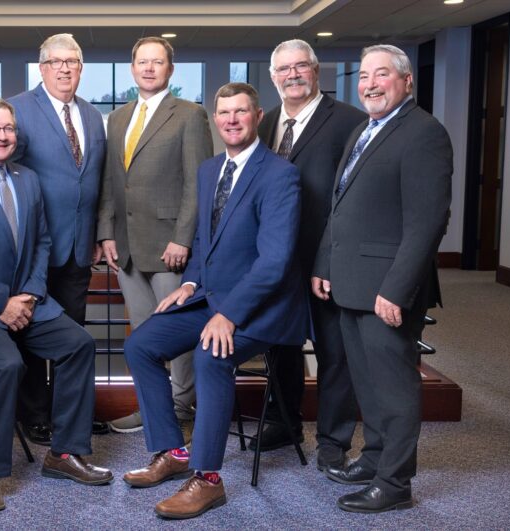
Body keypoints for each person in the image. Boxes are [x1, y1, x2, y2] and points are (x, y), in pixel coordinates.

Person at [122, 83, 309, 520]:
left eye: (240, 112)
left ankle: (207, 479)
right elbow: (205, 241)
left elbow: (275, 261)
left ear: (257, 115)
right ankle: (173, 452)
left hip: (265, 308)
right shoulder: (209, 171)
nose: (231, 120)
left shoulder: (280, 175)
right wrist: (188, 285)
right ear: (216, 119)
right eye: (223, 113)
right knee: (140, 345)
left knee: (210, 356)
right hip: (209, 298)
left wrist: (229, 313)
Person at [0, 98, 113, 512]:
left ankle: (64, 453)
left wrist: (27, 296)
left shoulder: (27, 180)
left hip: (25, 302)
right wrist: (2, 303)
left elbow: (42, 242)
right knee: (7, 363)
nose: (0, 135)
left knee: (79, 343)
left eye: (7, 128)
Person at [313, 44, 452, 513]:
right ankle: (373, 458)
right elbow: (340, 207)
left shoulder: (423, 134)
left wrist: (396, 289)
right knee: (366, 384)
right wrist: (324, 266)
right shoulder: (363, 131)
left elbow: (426, 223)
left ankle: (394, 484)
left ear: (406, 82)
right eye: (365, 76)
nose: (371, 84)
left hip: (386, 290)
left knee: (394, 388)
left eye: (383, 75)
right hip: (350, 283)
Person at [254, 39, 366, 469]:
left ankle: (334, 440)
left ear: (317, 71)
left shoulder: (348, 123)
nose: (292, 75)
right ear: (272, 77)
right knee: (281, 345)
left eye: (301, 66)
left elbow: (349, 203)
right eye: (283, 69)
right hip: (276, 262)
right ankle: (285, 421)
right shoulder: (264, 126)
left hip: (326, 264)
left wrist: (327, 262)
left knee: (333, 352)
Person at [98, 37, 213, 438]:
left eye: (157, 62)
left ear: (170, 69)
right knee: (144, 334)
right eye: (142, 62)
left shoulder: (189, 115)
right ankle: (153, 408)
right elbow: (112, 184)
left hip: (169, 247)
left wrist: (184, 238)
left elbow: (198, 185)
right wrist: (107, 232)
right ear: (132, 68)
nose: (149, 68)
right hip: (127, 247)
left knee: (175, 334)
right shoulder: (117, 118)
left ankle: (182, 406)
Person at [6, 34, 108, 444]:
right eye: (57, 62)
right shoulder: (18, 109)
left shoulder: (91, 114)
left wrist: (100, 233)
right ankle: (34, 414)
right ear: (42, 67)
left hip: (79, 247)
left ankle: (71, 415)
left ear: (81, 69)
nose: (65, 68)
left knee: (75, 335)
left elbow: (97, 182)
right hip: (33, 249)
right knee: (31, 335)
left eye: (73, 62)